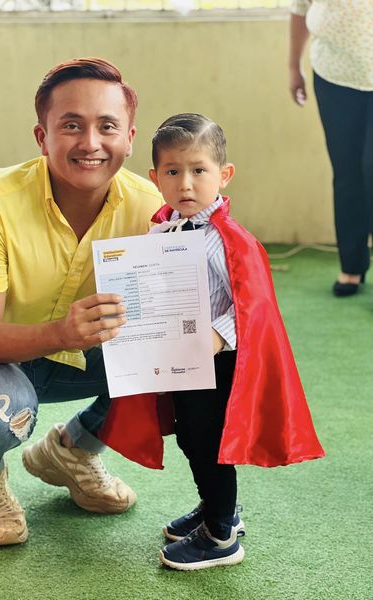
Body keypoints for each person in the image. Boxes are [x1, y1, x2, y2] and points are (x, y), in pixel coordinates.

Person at [0, 57, 163, 547]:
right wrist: (62, 332)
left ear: (130, 138)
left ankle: (73, 450)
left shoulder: (150, 206)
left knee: (182, 361)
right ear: (42, 136)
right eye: (71, 126)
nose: (90, 143)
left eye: (107, 126)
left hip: (70, 353)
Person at [97, 113, 325, 571]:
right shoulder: (164, 227)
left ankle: (220, 534)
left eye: (198, 170)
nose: (185, 183)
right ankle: (217, 508)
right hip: (181, 359)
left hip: (217, 365)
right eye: (173, 171)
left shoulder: (225, 240)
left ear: (224, 174)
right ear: (155, 178)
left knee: (209, 442)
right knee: (190, 436)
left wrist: (218, 336)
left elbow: (250, 304)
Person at [289, 0, 373, 296]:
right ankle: (352, 265)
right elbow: (300, 8)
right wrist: (293, 66)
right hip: (334, 76)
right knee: (347, 172)